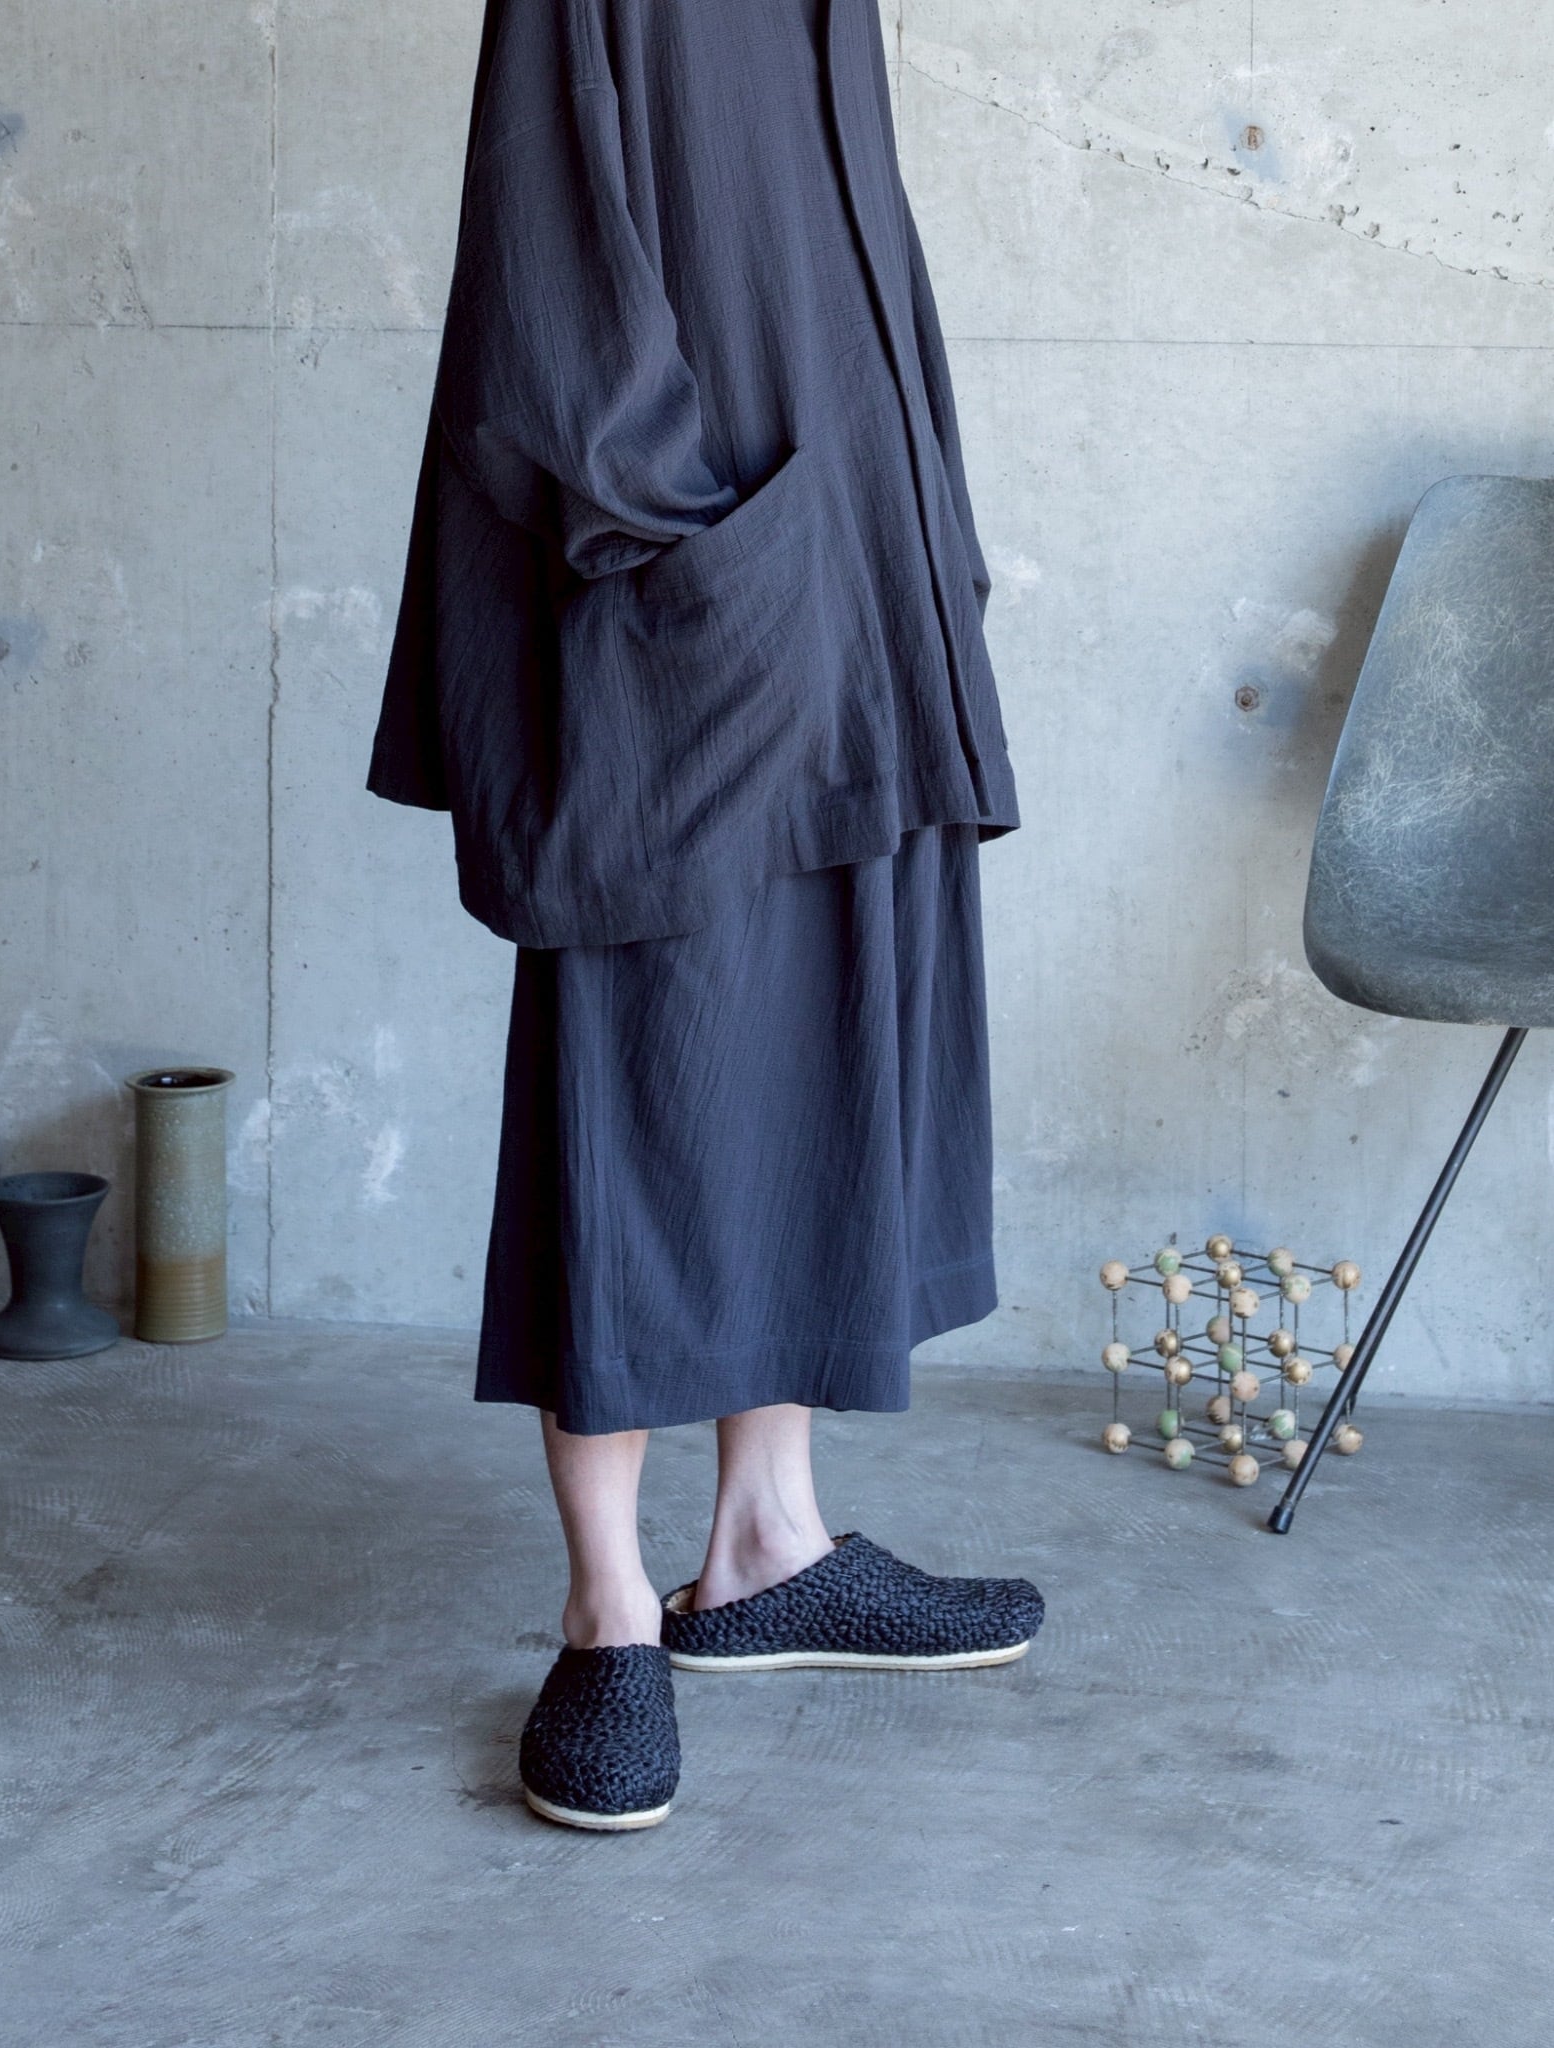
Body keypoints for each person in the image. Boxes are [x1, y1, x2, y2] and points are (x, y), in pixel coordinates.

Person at [366, 0, 1044, 1831]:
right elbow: (543, 279)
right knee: (638, 1062)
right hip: (694, 590)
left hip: (852, 577)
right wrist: (670, 535)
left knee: (824, 1023)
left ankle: (767, 1544)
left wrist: (906, 531)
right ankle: (606, 1610)